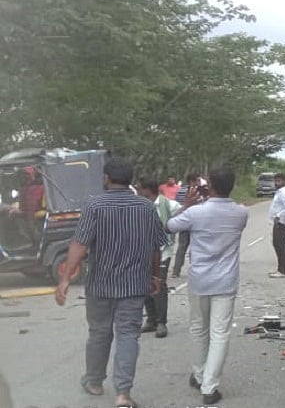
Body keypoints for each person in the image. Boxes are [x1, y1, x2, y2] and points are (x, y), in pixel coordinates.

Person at [54, 158, 166, 408]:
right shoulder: (146, 207)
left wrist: (64, 279)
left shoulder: (94, 205)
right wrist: (155, 275)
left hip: (100, 285)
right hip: (135, 285)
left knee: (99, 333)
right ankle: (123, 395)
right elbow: (155, 247)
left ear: (106, 178)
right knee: (128, 336)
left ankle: (94, 381)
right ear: (131, 181)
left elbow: (79, 244)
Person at [167, 166, 248, 406]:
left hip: (199, 279)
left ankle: (200, 374)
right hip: (225, 280)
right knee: (219, 333)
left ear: (209, 186)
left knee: (198, 329)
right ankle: (209, 387)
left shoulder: (195, 213)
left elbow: (170, 225)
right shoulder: (241, 213)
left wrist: (188, 204)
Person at [137, 177, 181, 338]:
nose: (138, 191)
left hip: (163, 250)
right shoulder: (139, 204)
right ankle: (151, 319)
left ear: (148, 189)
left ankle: (161, 322)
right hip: (143, 251)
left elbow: (182, 213)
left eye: (140, 188)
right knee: (145, 285)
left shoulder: (166, 203)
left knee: (159, 284)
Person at [171, 173, 202, 278]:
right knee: (185, 246)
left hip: (190, 221)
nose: (199, 183)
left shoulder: (183, 191)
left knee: (184, 247)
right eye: (197, 181)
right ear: (191, 181)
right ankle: (177, 270)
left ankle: (177, 271)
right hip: (190, 221)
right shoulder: (185, 191)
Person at [268, 172, 285, 278]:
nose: (276, 183)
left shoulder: (284, 193)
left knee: (281, 246)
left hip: (282, 222)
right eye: (275, 181)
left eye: (278, 181)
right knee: (277, 244)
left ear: (284, 181)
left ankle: (283, 271)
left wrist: (278, 216)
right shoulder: (280, 192)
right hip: (279, 222)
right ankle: (280, 269)